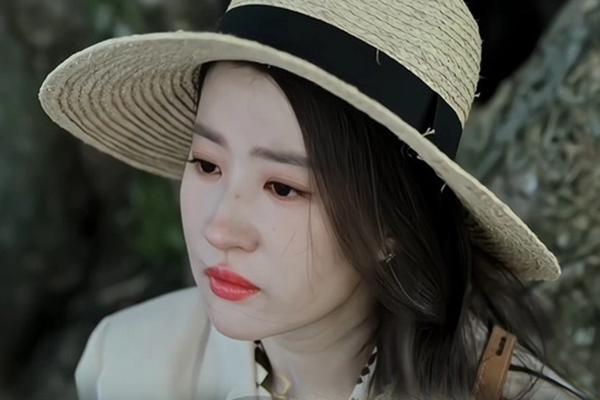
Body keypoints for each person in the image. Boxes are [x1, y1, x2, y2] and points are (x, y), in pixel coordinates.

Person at [38, 1, 593, 399]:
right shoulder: (127, 362)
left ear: (392, 224)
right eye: (207, 164)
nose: (219, 228)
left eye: (283, 188)